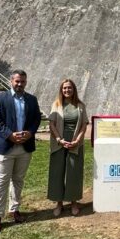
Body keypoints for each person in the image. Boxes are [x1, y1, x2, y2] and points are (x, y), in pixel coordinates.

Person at [0, 69, 41, 233]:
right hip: (5, 147)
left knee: (18, 180)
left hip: (25, 147)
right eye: (17, 81)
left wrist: (30, 133)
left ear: (26, 82)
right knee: (1, 182)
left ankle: (14, 210)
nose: (20, 84)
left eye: (22, 81)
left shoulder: (31, 99)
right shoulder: (0, 98)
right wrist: (9, 135)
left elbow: (36, 119)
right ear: (11, 81)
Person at [47, 79, 89, 217]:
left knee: (74, 173)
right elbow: (52, 124)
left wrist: (77, 141)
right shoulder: (56, 104)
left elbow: (84, 125)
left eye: (69, 88)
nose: (67, 90)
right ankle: (59, 203)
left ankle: (74, 202)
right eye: (64, 88)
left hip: (75, 144)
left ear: (74, 89)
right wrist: (59, 139)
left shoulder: (80, 106)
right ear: (61, 90)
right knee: (57, 173)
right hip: (59, 143)